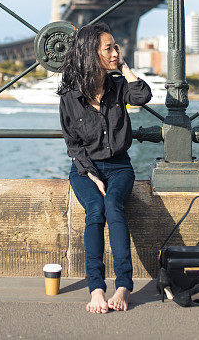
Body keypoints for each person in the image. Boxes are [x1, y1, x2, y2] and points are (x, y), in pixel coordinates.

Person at [57, 23, 152, 313]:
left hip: (119, 167)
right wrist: (89, 173)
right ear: (90, 53)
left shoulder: (118, 86)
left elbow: (142, 96)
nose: (115, 51)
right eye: (108, 48)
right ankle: (96, 289)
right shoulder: (70, 97)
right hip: (85, 168)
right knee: (96, 210)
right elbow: (73, 145)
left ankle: (123, 286)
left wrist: (123, 66)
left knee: (113, 205)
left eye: (116, 47)